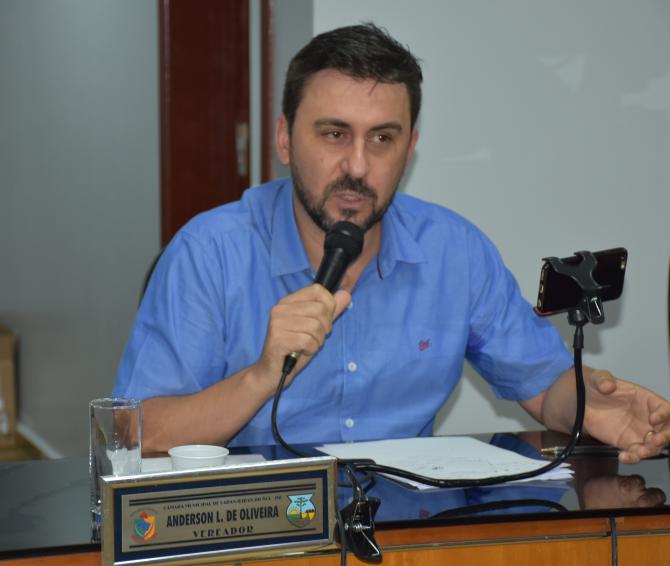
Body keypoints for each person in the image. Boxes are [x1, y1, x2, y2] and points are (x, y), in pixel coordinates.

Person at [113, 23, 670, 463]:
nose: (357, 166)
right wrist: (261, 375)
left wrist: (591, 406)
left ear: (410, 148)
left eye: (382, 138)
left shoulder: (454, 251)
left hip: (405, 533)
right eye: (334, 134)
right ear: (285, 139)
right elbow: (137, 434)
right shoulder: (209, 253)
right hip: (259, 533)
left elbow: (544, 387)